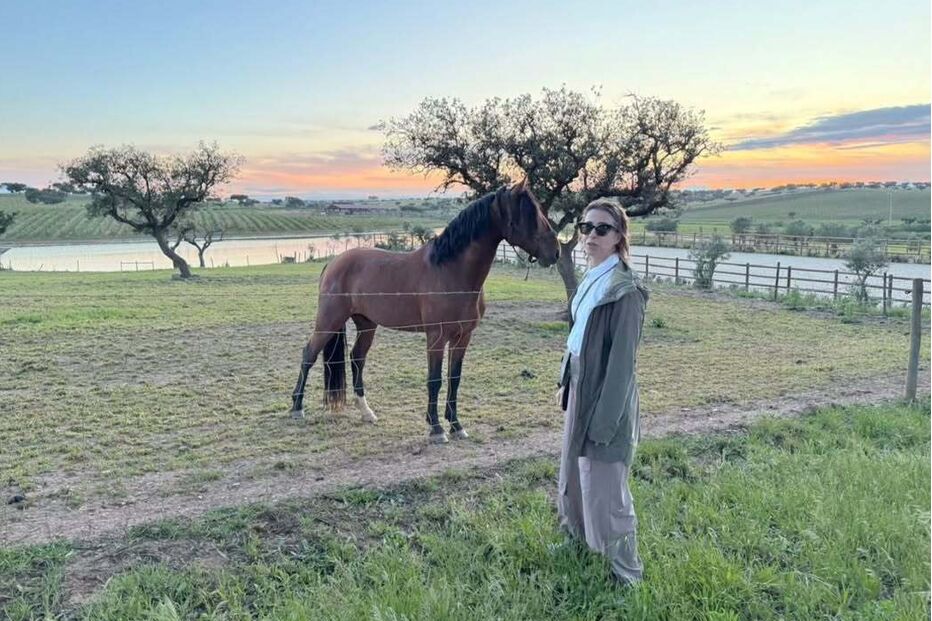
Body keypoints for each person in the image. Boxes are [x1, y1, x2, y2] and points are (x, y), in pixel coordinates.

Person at [555, 197, 649, 585]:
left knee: (605, 483)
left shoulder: (626, 290)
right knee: (573, 472)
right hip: (580, 383)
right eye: (585, 227)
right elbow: (579, 336)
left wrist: (606, 422)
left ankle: (625, 574)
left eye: (602, 228)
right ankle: (577, 542)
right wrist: (567, 380)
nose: (591, 234)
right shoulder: (592, 277)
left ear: (619, 236)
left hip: (605, 392)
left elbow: (621, 365)